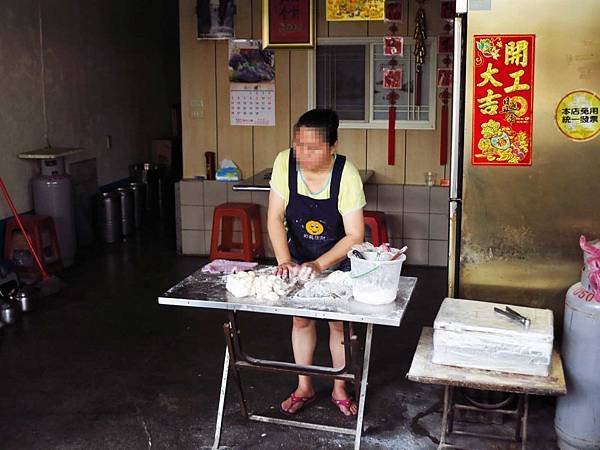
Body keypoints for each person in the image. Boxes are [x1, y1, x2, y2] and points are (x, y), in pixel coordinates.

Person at [267, 108, 366, 416]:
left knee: (339, 323)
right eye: (299, 144)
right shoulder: (284, 164)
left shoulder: (346, 175)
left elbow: (355, 235)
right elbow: (274, 216)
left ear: (332, 147)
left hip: (337, 256)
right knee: (301, 319)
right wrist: (285, 259)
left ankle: (340, 386)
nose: (303, 153)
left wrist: (321, 265)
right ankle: (304, 386)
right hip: (298, 255)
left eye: (313, 147)